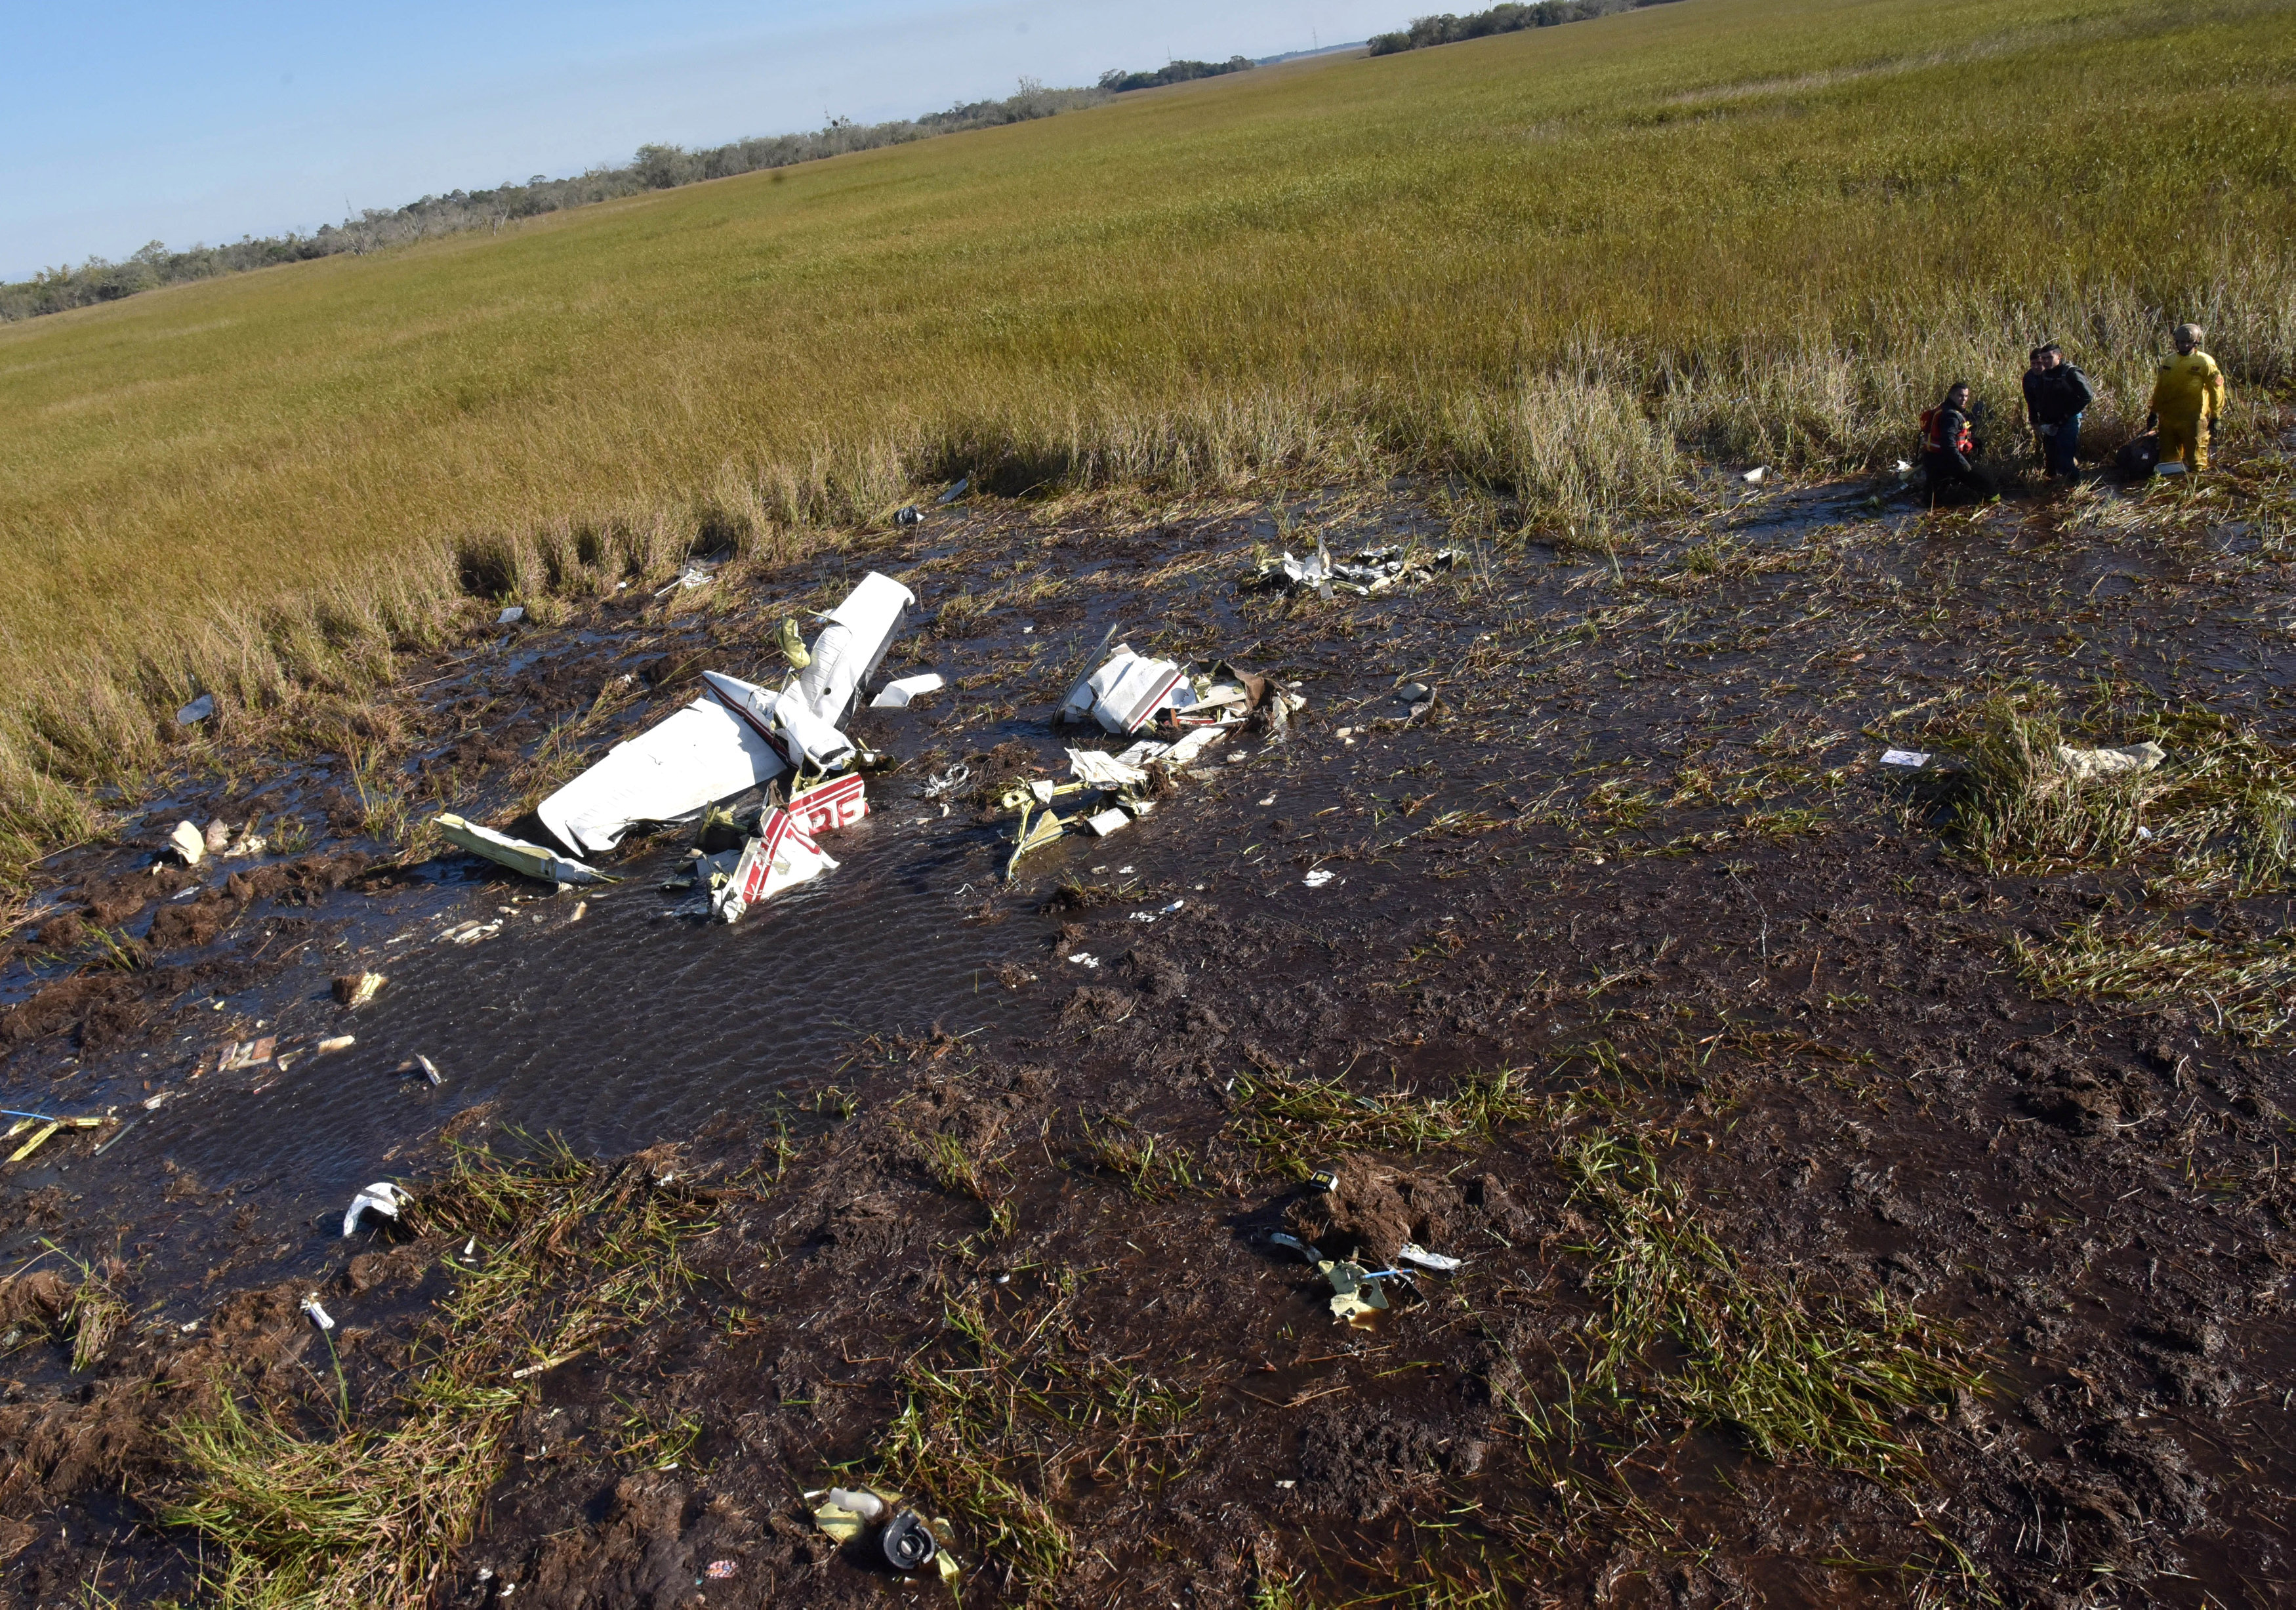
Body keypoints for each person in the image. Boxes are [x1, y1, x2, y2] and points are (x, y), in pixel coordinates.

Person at [2146, 323, 2226, 474]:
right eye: (2181, 342)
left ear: (2195, 343)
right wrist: (2153, 413)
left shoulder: (2205, 362)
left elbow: (2217, 390)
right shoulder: (2169, 361)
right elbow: (2160, 389)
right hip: (2168, 419)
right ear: (2176, 342)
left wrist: (2216, 416)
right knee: (2168, 464)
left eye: (2188, 342)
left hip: (2194, 420)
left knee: (2197, 463)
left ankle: (2197, 490)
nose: (2184, 345)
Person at [2021, 342, 2094, 481]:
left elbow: (2087, 396)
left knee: (2064, 460)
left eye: (2049, 357)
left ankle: (2076, 488)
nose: (2046, 361)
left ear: (2059, 356)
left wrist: (2067, 414)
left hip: (2068, 421)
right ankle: (2054, 490)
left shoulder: (2070, 372)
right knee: (2051, 460)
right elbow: (2037, 400)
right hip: (2050, 423)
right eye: (2044, 358)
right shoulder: (2044, 375)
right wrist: (2036, 420)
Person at [1921, 382, 1992, 501]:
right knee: (1989, 488)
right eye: (1960, 396)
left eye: (1966, 396)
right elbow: (1948, 445)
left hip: (1931, 460)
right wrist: (1963, 464)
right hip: (1946, 461)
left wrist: (1972, 443)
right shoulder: (1951, 416)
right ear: (1951, 396)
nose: (1964, 399)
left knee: (1932, 499)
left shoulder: (1943, 409)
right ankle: (1995, 502)